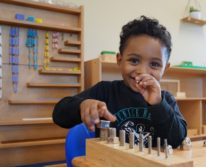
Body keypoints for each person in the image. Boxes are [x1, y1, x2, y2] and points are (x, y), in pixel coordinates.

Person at [53, 15, 187, 148]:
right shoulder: (105, 91)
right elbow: (59, 115)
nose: (142, 71)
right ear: (119, 60)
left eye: (155, 64)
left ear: (165, 68)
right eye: (134, 60)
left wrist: (158, 105)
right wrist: (82, 105)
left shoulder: (165, 100)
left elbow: (177, 139)